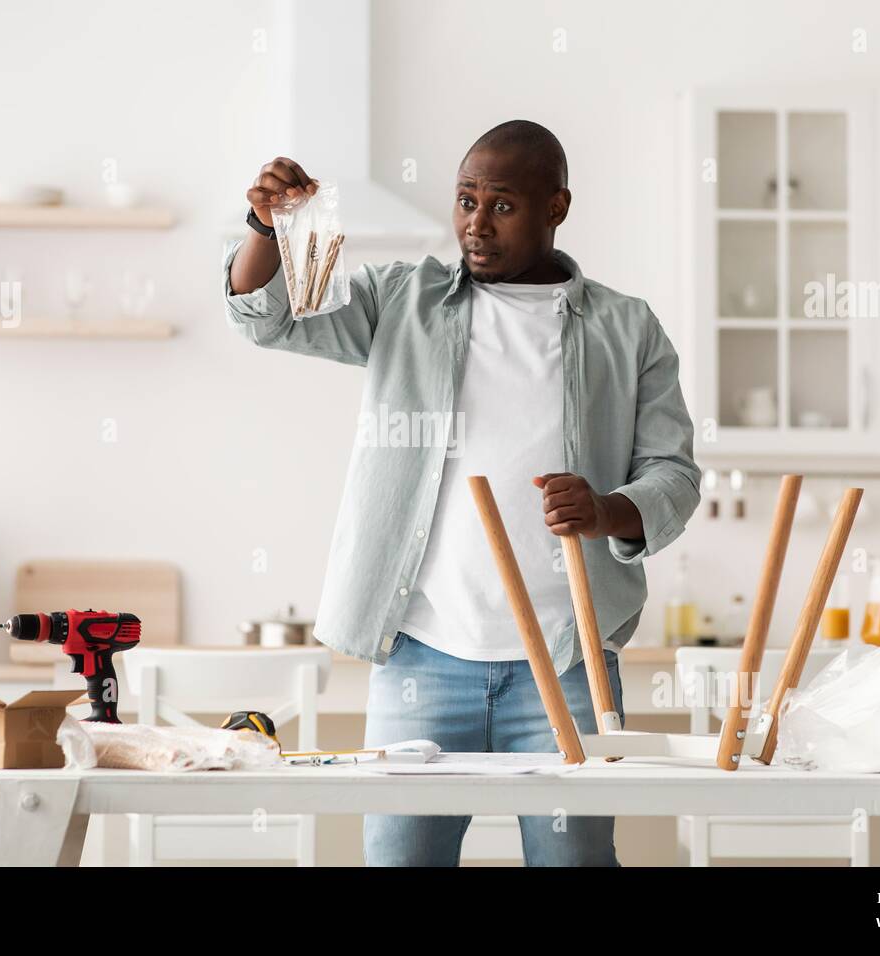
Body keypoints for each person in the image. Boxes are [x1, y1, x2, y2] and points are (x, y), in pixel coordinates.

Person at [224, 120, 701, 866]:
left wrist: (606, 508)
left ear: (556, 207)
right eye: (465, 200)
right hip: (422, 655)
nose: (475, 225)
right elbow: (270, 318)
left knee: (573, 862)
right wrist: (264, 227)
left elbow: (674, 474)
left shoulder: (627, 327)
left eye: (502, 205)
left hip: (569, 658)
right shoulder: (402, 301)